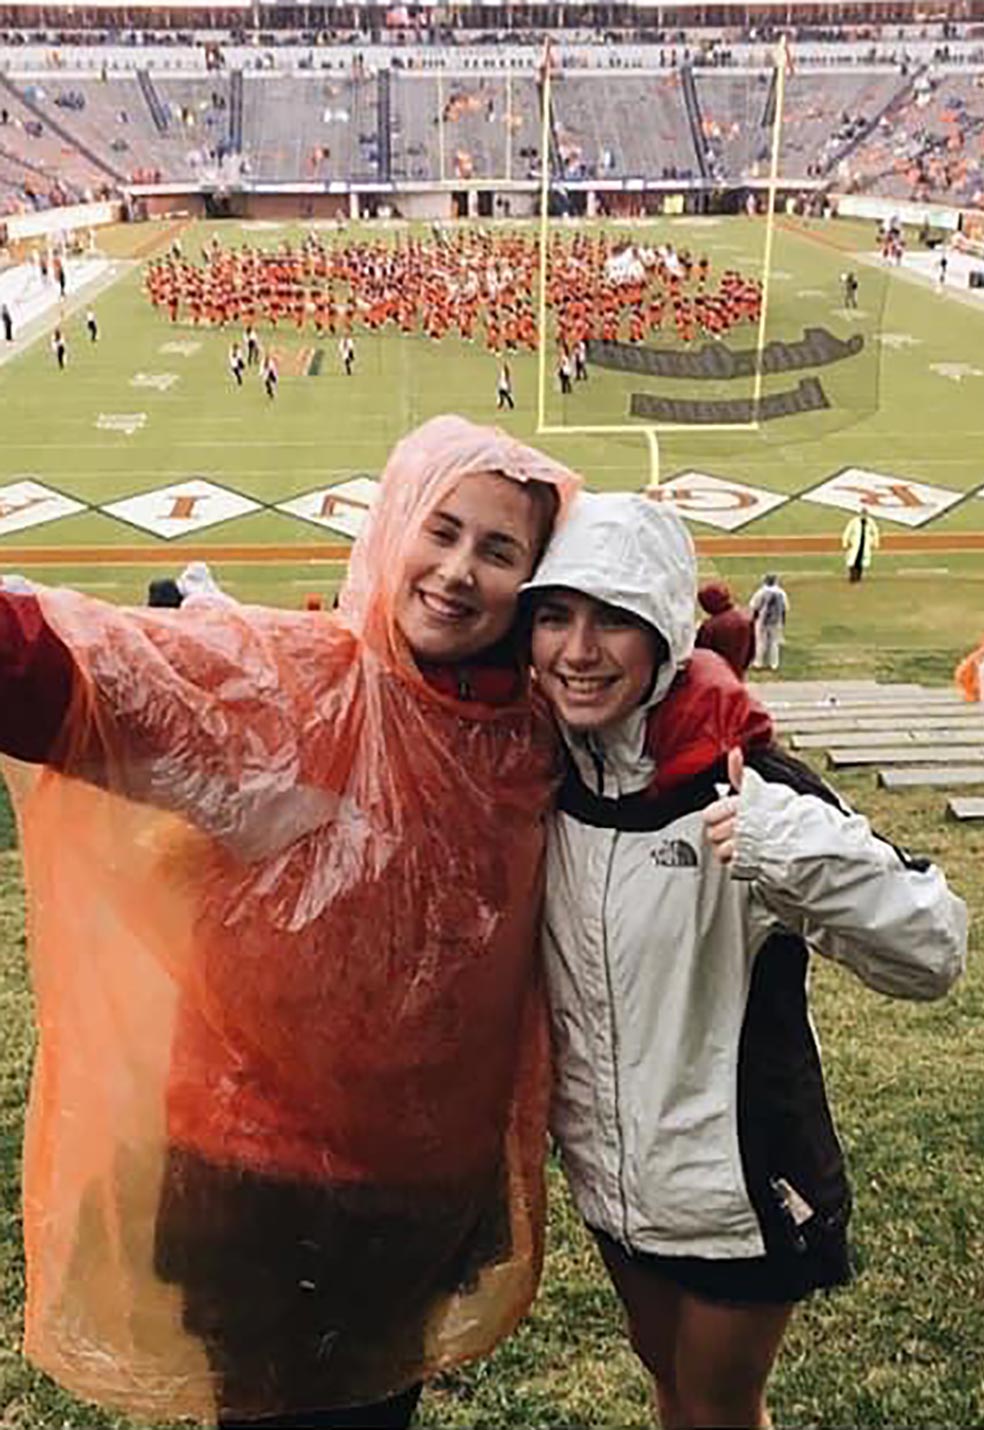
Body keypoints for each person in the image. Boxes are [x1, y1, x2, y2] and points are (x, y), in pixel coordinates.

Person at [0, 415, 580, 1430]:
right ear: (391, 526)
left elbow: (655, 696)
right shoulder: (295, 691)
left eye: (498, 550)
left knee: (376, 1405)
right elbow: (85, 676)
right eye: (439, 531)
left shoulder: (534, 732)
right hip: (259, 1183)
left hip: (426, 1185)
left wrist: (703, 648)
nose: (456, 571)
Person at [521, 492, 966, 1430]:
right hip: (615, 1182)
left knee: (721, 1410)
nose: (578, 649)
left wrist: (783, 847)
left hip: (740, 1185)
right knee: (672, 1391)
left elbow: (934, 948)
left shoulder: (746, 783)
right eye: (556, 616)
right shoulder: (536, 777)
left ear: (666, 636)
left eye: (614, 620)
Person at [694, 581, 755, 678]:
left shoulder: (710, 627)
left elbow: (701, 656)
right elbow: (752, 651)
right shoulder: (746, 618)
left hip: (716, 677)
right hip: (737, 674)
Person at [748, 573, 788, 670]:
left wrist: (753, 619)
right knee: (774, 643)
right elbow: (784, 609)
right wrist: (782, 621)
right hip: (776, 620)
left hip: (762, 620)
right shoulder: (781, 592)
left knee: (761, 642)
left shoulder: (761, 592)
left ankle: (759, 663)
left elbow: (754, 607)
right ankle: (774, 664)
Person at [842, 507, 879, 583]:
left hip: (865, 544)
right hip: (855, 543)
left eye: (865, 513)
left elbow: (875, 532)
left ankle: (858, 576)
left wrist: (876, 542)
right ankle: (852, 576)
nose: (864, 515)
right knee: (852, 560)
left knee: (862, 561)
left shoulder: (870, 522)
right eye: (863, 513)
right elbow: (847, 532)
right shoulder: (854, 521)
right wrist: (845, 543)